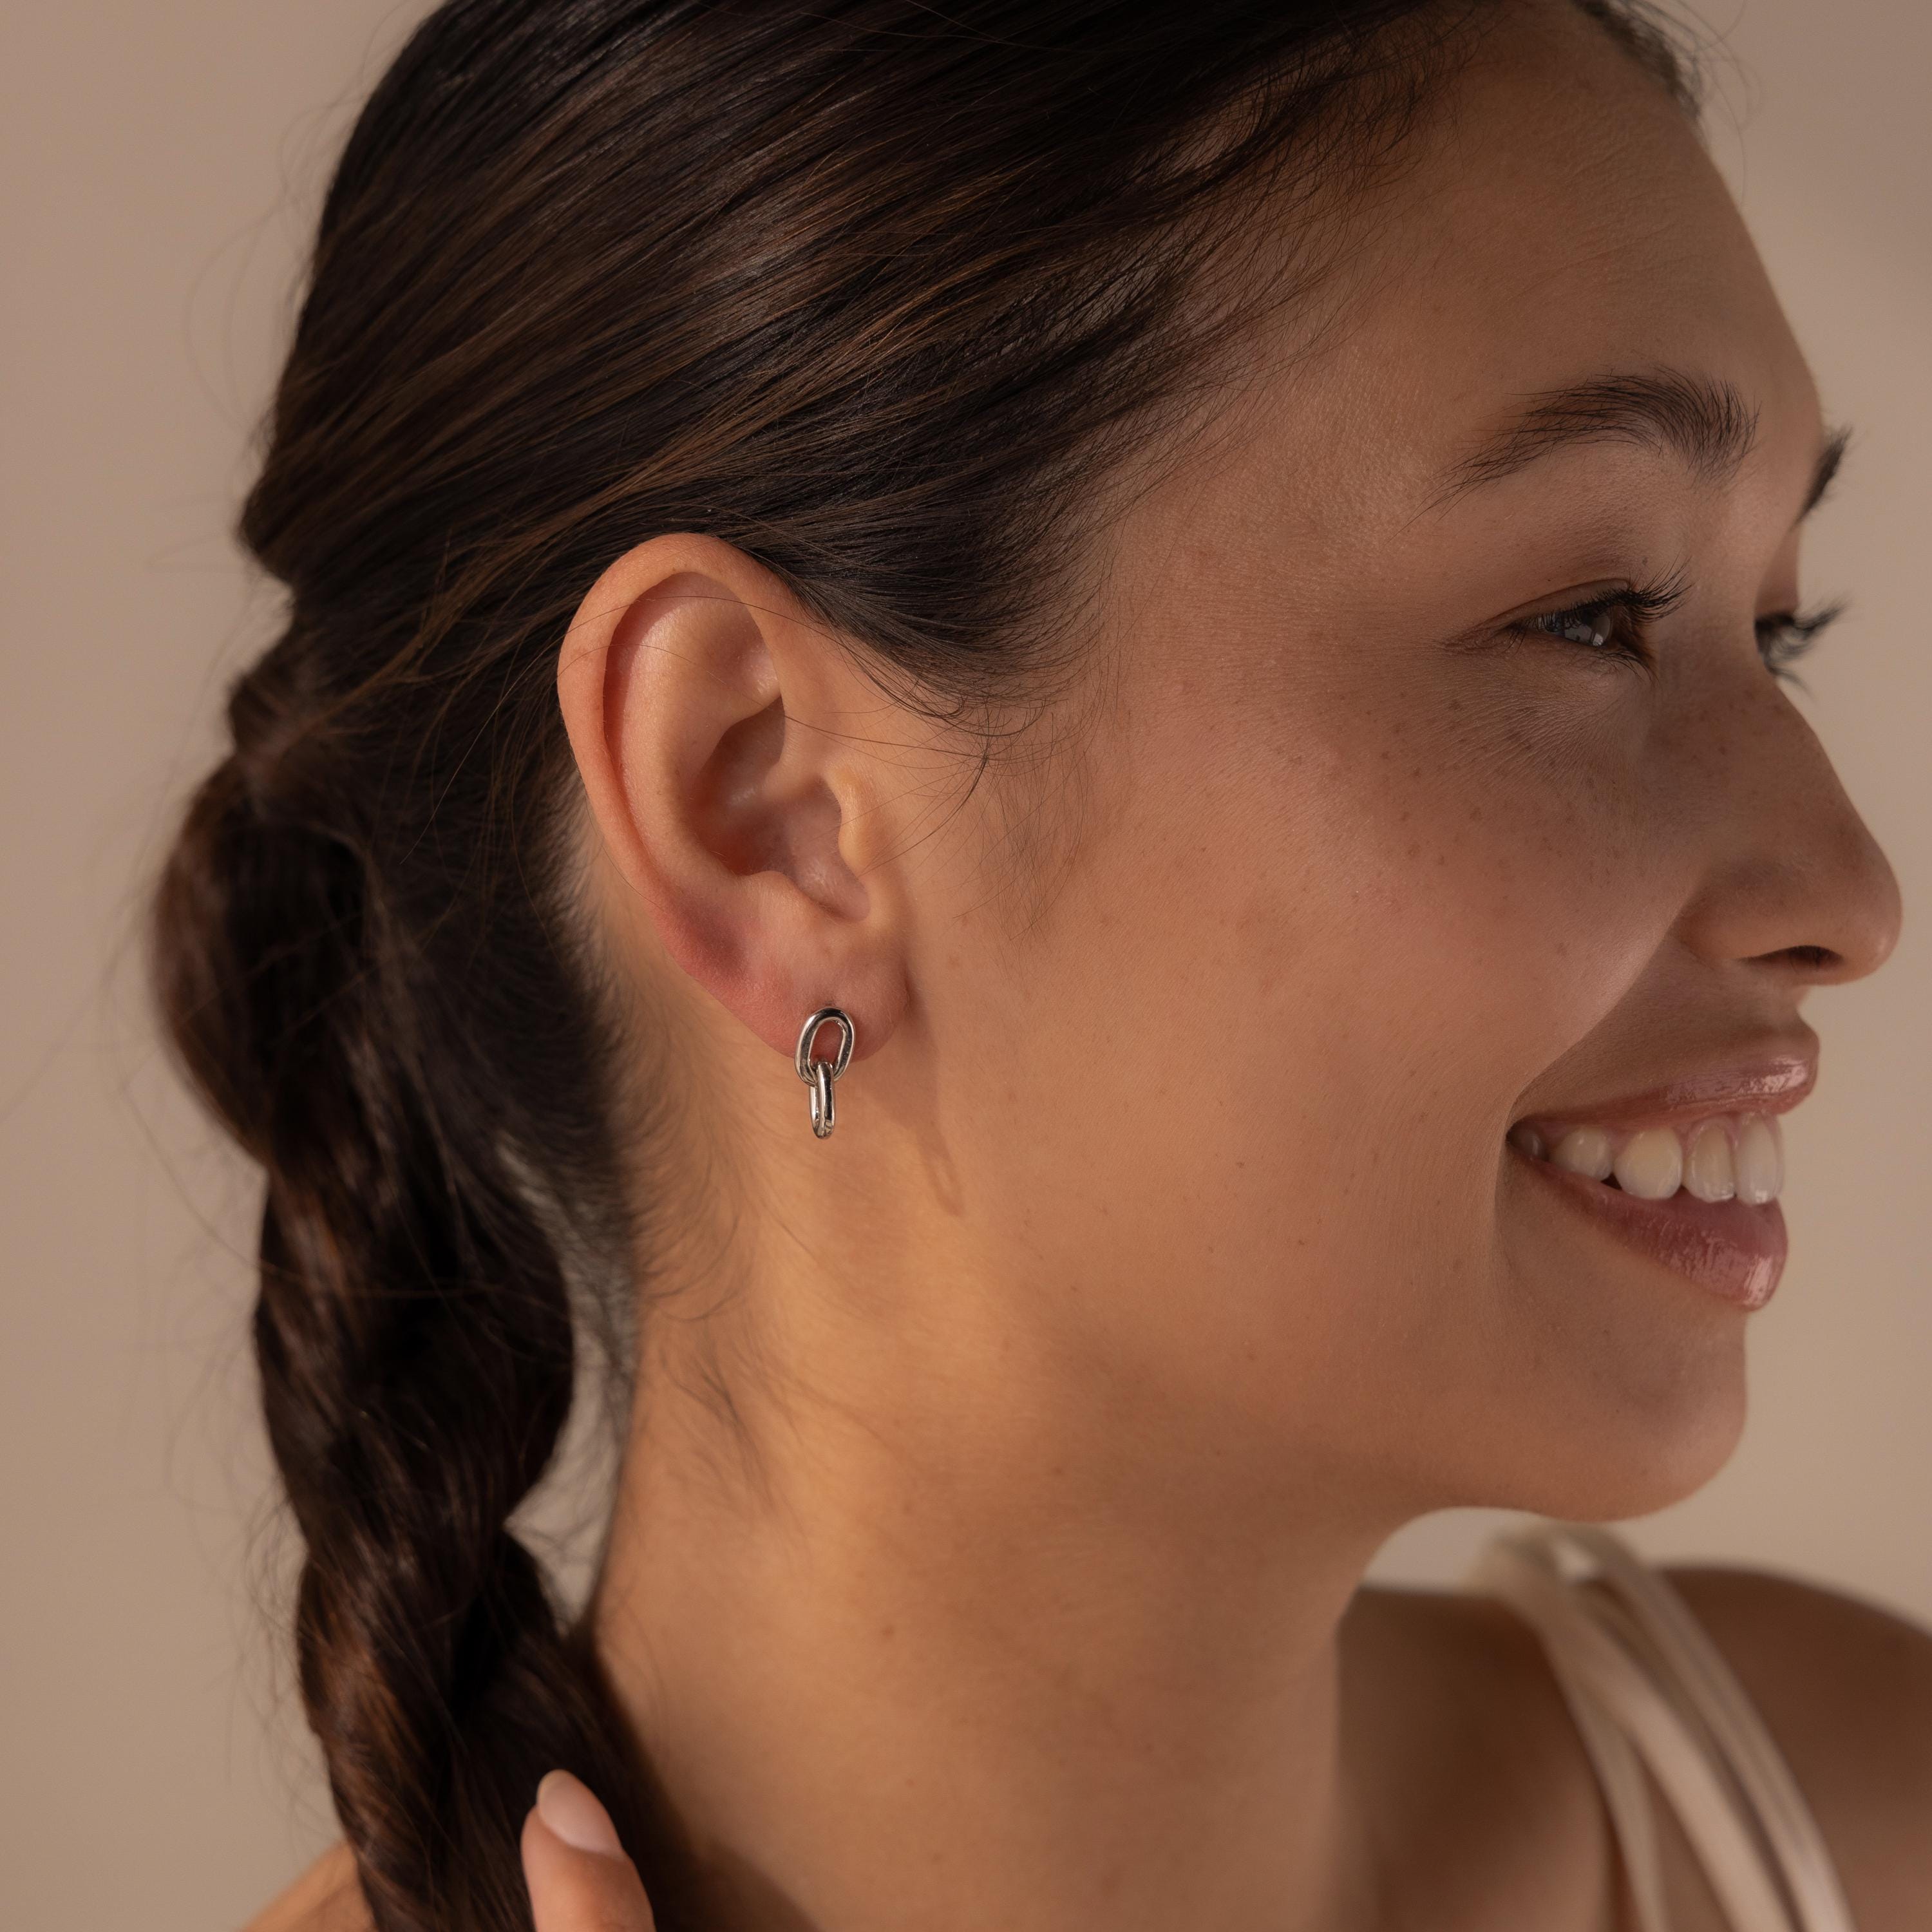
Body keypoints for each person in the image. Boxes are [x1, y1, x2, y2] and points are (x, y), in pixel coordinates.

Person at [156, 1, 1932, 1929]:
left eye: (1785, 628)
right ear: (771, 806)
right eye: (1591, 617)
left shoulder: (1861, 1824)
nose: (1850, 893)